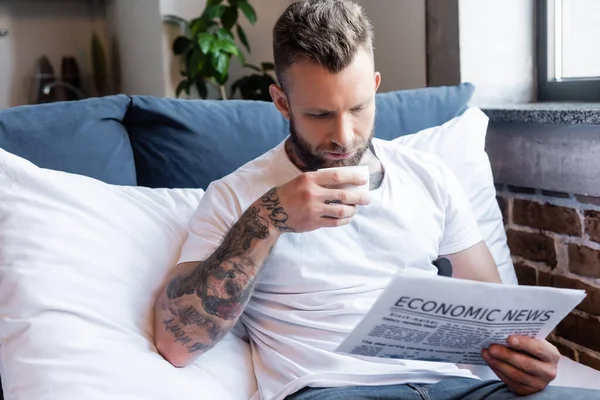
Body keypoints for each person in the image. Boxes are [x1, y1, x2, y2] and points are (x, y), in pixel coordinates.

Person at [152, 1, 600, 399]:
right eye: (320, 114)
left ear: (377, 85)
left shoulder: (430, 176)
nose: (343, 137)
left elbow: (497, 316)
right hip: (331, 389)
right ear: (281, 102)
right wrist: (268, 220)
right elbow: (175, 344)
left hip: (457, 386)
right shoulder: (236, 196)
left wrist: (525, 363)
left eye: (359, 107)